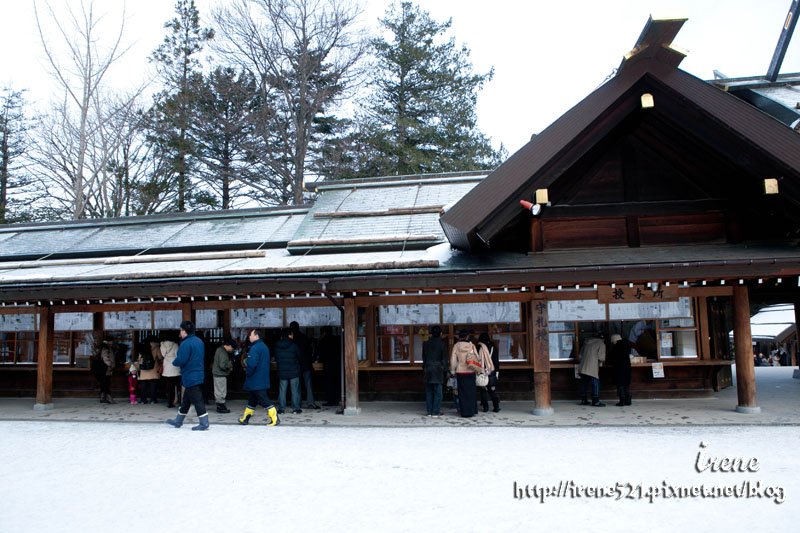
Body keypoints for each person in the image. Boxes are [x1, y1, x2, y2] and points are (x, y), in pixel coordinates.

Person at [166, 321, 209, 431]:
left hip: (190, 375)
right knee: (186, 400)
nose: (180, 332)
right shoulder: (199, 341)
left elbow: (182, 359)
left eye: (181, 330)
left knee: (197, 399)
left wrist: (174, 362)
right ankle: (178, 420)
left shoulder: (185, 343)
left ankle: (204, 422)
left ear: (184, 332)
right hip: (198, 373)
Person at [237, 329, 279, 426]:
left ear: (256, 336)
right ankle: (245, 419)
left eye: (250, 335)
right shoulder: (263, 347)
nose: (249, 337)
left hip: (256, 379)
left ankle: (275, 418)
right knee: (252, 400)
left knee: (264, 399)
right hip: (261, 378)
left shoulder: (255, 348)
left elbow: (251, 364)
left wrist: (247, 371)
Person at [449, 330, 480, 418]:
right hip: (471, 371)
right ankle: (472, 410)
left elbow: (453, 360)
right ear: (467, 337)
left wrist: (452, 371)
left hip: (460, 371)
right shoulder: (472, 346)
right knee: (471, 391)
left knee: (462, 392)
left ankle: (464, 411)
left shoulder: (456, 346)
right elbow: (477, 358)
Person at [291, 321, 320, 409]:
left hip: (296, 364)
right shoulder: (304, 337)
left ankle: (297, 403)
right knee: (308, 384)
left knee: (297, 385)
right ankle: (310, 402)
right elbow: (309, 350)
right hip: (306, 364)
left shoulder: (292, 339)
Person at [275, 328, 302, 414]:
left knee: (282, 390)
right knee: (294, 390)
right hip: (294, 371)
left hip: (282, 370)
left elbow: (276, 357)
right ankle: (296, 408)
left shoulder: (277, 345)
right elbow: (299, 357)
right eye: (292, 334)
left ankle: (281, 409)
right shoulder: (294, 345)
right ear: (289, 335)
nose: (293, 336)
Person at [422, 325, 446, 417]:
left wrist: (424, 367)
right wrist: (447, 370)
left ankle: (429, 411)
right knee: (438, 392)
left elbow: (423, 357)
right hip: (438, 369)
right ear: (440, 334)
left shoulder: (426, 344)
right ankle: (436, 411)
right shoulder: (442, 344)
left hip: (428, 368)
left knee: (428, 391)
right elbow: (443, 359)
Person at [578, 333, 606, 407]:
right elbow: (601, 357)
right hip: (592, 366)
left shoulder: (586, 342)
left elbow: (580, 354)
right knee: (595, 383)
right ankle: (595, 401)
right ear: (603, 339)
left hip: (583, 365)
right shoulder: (601, 343)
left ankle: (583, 400)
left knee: (584, 383)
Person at [317, 326, 341, 406]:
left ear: (324, 332)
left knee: (329, 383)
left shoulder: (323, 341)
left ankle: (330, 400)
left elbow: (320, 353)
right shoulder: (337, 339)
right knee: (337, 383)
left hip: (328, 365)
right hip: (337, 364)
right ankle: (337, 399)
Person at [477, 332, 500, 413]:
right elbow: (496, 361)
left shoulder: (478, 347)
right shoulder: (493, 348)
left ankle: (485, 408)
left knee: (483, 390)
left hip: (481, 370)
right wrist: (496, 370)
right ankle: (496, 407)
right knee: (491, 390)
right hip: (491, 371)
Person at [212, 338, 235, 413]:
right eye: (232, 348)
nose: (231, 350)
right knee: (221, 391)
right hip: (220, 374)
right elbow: (222, 365)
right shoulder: (223, 352)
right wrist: (230, 364)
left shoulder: (219, 350)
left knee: (219, 390)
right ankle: (220, 406)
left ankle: (221, 405)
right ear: (229, 346)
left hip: (218, 373)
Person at [609, 334, 632, 406]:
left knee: (620, 385)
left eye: (613, 341)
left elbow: (612, 358)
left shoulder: (616, 348)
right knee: (626, 384)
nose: (613, 343)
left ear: (615, 341)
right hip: (627, 368)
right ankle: (628, 400)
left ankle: (622, 401)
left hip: (619, 369)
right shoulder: (627, 346)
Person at [137, 337, 161, 404]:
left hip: (144, 368)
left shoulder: (142, 347)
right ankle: (153, 400)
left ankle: (143, 400)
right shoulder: (156, 347)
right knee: (153, 384)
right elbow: (160, 357)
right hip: (153, 368)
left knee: (143, 385)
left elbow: (139, 358)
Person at [161, 331, 181, 408]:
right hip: (175, 367)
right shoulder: (175, 345)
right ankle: (179, 401)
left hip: (166, 367)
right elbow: (178, 356)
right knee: (177, 385)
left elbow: (163, 354)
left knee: (169, 387)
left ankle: (169, 402)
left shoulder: (162, 345)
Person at [93, 339, 116, 404]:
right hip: (106, 368)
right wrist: (109, 365)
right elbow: (105, 357)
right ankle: (108, 397)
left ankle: (102, 397)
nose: (112, 342)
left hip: (102, 368)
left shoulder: (103, 348)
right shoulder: (106, 348)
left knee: (103, 382)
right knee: (106, 382)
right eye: (110, 341)